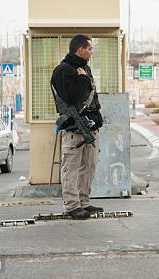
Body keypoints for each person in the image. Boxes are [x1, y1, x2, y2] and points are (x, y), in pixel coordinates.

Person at [51, 35, 104, 220]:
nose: (91, 52)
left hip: (90, 128)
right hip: (74, 129)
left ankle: (84, 202)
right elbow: (73, 97)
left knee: (89, 166)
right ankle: (72, 206)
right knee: (71, 168)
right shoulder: (63, 70)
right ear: (80, 49)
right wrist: (82, 79)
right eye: (89, 48)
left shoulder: (84, 68)